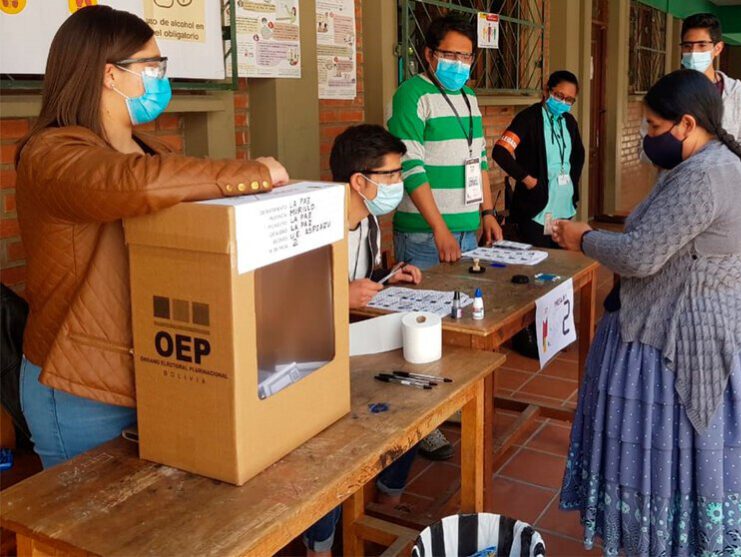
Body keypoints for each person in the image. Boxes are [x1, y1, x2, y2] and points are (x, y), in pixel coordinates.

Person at [14, 5, 289, 469]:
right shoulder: (51, 154)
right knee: (94, 533)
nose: (162, 78)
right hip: (82, 382)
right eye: (152, 66)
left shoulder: (148, 149)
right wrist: (252, 173)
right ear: (110, 75)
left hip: (160, 363)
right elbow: (136, 185)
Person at [552, 70, 741, 555]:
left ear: (686, 124)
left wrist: (584, 238)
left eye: (654, 127)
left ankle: (677, 543)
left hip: (691, 340)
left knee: (684, 453)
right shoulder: (706, 163)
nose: (647, 137)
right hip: (698, 318)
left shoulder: (703, 175)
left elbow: (641, 255)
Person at [303, 124, 423, 556]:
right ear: (360, 180)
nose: (398, 183)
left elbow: (365, 282)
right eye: (391, 175)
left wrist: (390, 279)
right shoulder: (313, 225)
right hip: (312, 353)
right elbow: (284, 303)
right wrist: (341, 295)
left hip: (357, 342)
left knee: (413, 400)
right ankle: (321, 542)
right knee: (333, 448)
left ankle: (389, 495)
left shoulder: (369, 222)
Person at [387, 13, 502, 460]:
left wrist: (488, 213)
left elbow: (480, 164)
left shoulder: (470, 97)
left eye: (466, 56)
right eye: (450, 54)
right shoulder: (412, 95)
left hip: (466, 229)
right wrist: (438, 228)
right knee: (422, 327)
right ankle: (423, 423)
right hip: (424, 234)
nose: (459, 63)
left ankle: (441, 403)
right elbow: (409, 166)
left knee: (455, 324)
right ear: (430, 54)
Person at [640, 12, 741, 165]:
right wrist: (679, 161)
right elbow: (645, 146)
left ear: (717, 48)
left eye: (702, 45)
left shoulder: (735, 93)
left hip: (721, 183)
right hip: (678, 182)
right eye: (688, 46)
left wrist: (726, 166)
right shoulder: (666, 91)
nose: (693, 52)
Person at [492, 70, 586, 248]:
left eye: (569, 99)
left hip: (563, 208)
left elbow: (578, 156)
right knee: (538, 264)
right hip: (536, 210)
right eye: (559, 95)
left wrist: (572, 182)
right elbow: (500, 152)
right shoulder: (528, 119)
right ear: (546, 90)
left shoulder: (569, 121)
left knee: (559, 267)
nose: (563, 102)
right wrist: (528, 180)